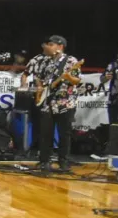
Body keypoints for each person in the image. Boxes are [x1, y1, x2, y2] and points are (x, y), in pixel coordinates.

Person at [32, 35, 82, 173]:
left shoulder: (71, 61)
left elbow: (77, 80)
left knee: (64, 133)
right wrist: (39, 88)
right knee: (45, 133)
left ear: (60, 46)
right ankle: (44, 161)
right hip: (47, 102)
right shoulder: (44, 61)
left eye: (51, 44)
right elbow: (38, 77)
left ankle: (63, 161)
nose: (47, 47)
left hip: (65, 102)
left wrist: (68, 77)